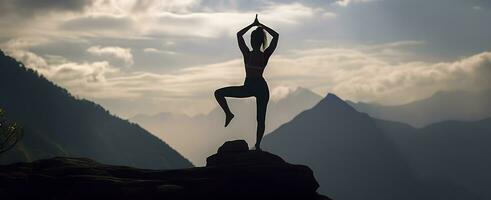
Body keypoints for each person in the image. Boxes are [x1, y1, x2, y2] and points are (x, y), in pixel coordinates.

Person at [214, 14, 279, 150]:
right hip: (256, 86)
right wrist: (260, 26)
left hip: (254, 87)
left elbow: (239, 35)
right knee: (260, 119)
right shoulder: (262, 55)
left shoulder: (249, 54)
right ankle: (229, 114)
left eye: (252, 39)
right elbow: (276, 36)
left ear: (254, 41)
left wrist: (254, 25)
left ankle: (257, 145)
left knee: (260, 118)